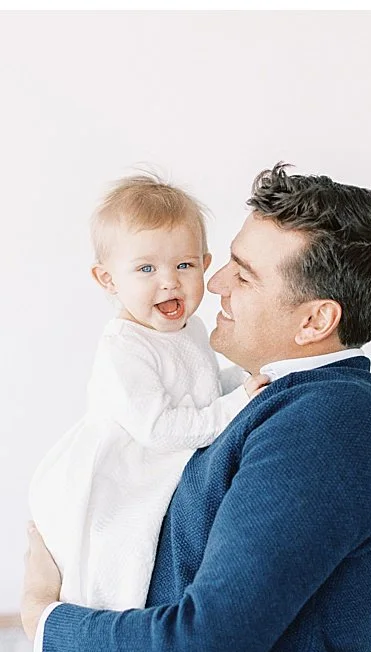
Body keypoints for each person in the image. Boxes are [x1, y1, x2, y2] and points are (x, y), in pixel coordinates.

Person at [22, 163, 371, 652]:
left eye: (244, 275)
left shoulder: (332, 424)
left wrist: (44, 620)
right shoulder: (281, 401)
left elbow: (202, 648)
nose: (216, 281)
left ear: (315, 320)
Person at [28, 173, 267, 623]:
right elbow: (159, 427)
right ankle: (101, 637)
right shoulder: (124, 348)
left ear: (205, 264)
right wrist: (236, 404)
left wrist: (241, 379)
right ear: (108, 279)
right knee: (114, 566)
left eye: (184, 265)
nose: (169, 283)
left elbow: (198, 388)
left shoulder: (189, 328)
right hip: (123, 475)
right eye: (146, 269)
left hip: (163, 463)